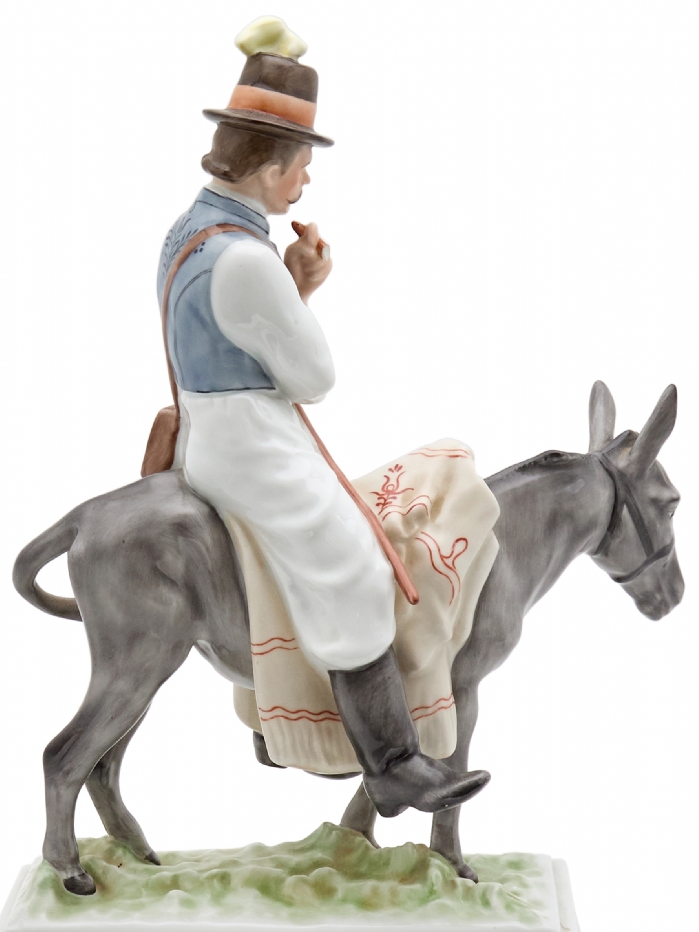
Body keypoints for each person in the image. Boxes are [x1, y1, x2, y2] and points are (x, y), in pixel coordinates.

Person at [157, 18, 489, 818]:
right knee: (355, 564)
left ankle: (287, 713)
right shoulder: (245, 258)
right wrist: (296, 287)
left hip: (213, 426)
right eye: (300, 165)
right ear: (270, 165)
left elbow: (236, 334)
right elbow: (313, 376)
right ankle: (392, 762)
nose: (304, 182)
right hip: (247, 442)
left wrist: (291, 288)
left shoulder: (190, 229)